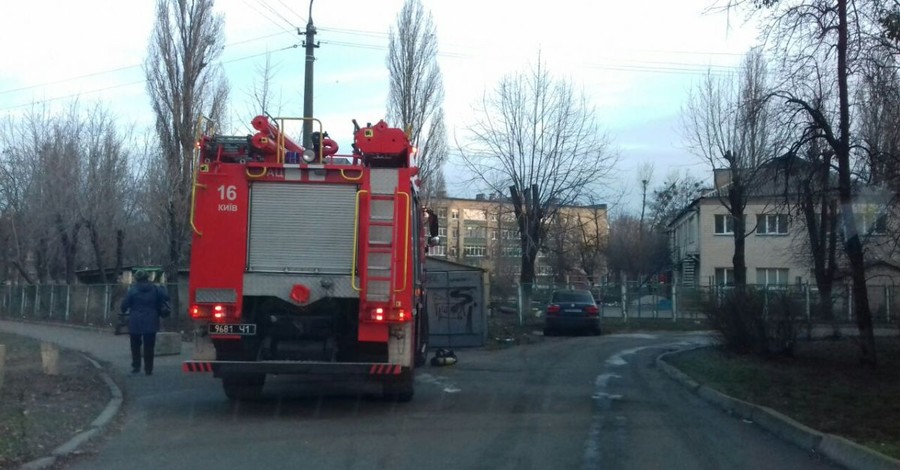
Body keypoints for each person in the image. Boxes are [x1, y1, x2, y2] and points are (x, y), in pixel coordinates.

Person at [120, 269, 169, 375]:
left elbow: (124, 305)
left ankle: (136, 366)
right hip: (151, 320)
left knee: (135, 345)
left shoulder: (132, 290)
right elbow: (166, 298)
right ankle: (148, 369)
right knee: (149, 346)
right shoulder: (155, 289)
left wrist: (124, 310)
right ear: (147, 278)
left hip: (135, 321)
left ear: (137, 279)